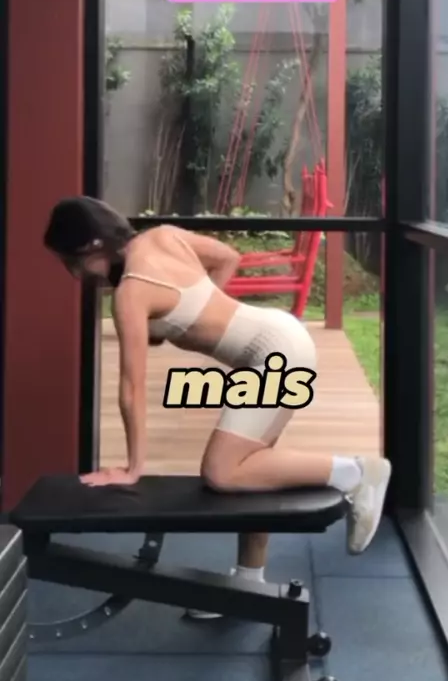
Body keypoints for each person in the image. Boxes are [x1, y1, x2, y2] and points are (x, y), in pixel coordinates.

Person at [44, 196, 392, 618]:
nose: (75, 274)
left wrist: (133, 468)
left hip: (275, 355)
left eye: (72, 262)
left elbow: (131, 388)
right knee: (256, 472)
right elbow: (228, 257)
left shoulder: (131, 293)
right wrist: (200, 310)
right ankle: (249, 582)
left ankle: (356, 473)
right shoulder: (163, 237)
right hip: (278, 333)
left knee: (222, 472)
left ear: (91, 246)